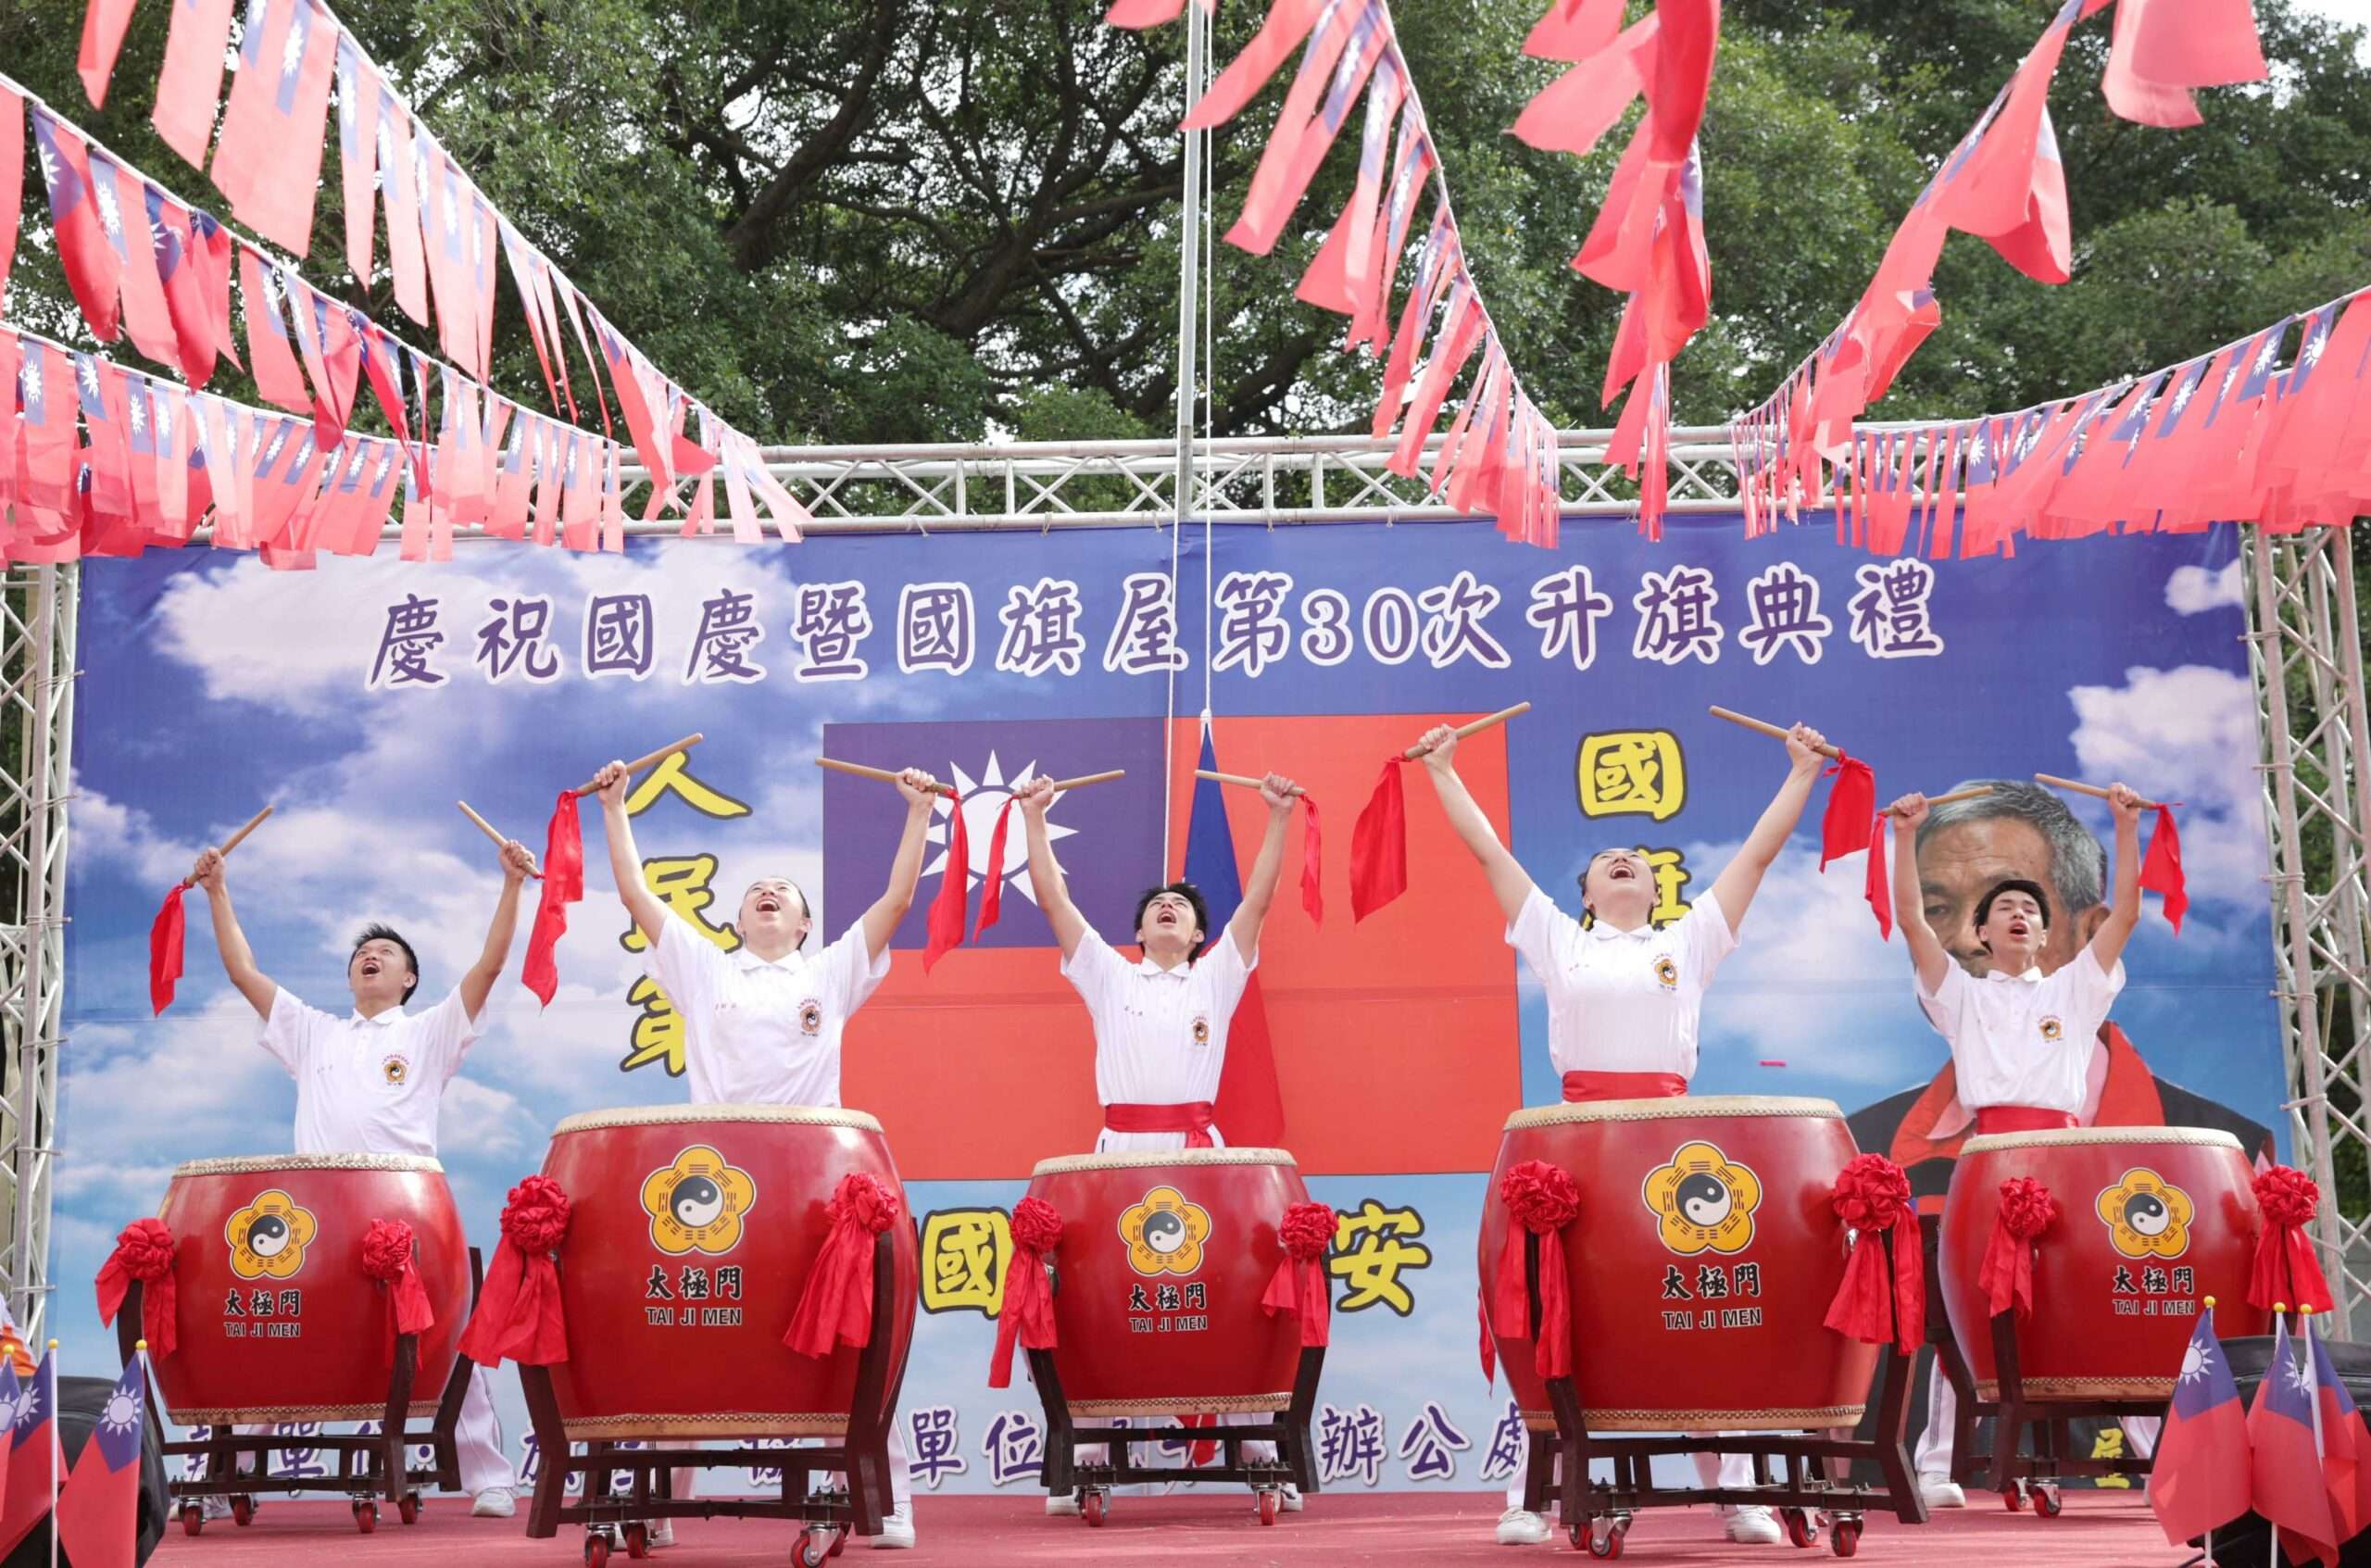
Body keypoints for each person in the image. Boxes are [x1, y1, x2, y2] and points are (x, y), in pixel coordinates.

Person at [1419, 718, 1828, 1548]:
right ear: (1586, 893)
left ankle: (1738, 1491)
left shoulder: (1689, 940)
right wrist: (1443, 770)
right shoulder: (1559, 942)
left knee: (1705, 1315)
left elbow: (1752, 856)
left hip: (1676, 1150)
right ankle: (1528, 1491)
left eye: (1638, 859)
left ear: (1655, 887)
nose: (1624, 859)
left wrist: (1801, 774)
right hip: (1581, 1148)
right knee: (1557, 1314)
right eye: (1608, 859)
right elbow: (1493, 855)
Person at [1856, 781, 2249, 1504]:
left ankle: (2160, 1458)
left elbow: (2127, 910)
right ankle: (1940, 1463)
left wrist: (2126, 826)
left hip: (2069, 1165)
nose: (2017, 913)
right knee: (1968, 1315)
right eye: (2001, 907)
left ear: (2045, 931)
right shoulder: (1961, 997)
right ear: (1980, 934)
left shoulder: (2075, 990)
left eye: (2029, 907)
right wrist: (1905, 835)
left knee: (2089, 1307)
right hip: (1987, 1161)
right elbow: (1910, 919)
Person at [593, 759, 938, 1549]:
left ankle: (889, 1503)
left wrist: (917, 813)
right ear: (740, 919)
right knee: (693, 1333)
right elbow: (638, 896)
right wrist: (615, 807)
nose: (768, 894)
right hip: (717, 1190)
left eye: (784, 891)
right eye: (756, 891)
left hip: (816, 1189)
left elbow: (897, 902)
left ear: (806, 924)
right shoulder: (704, 967)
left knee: (861, 1339)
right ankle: (662, 1500)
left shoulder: (830, 972)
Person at [191, 834, 536, 1520]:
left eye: (385, 954)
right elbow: (242, 970)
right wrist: (217, 890)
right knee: (283, 1333)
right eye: (360, 954)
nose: (368, 957)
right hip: (315, 1218)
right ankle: (227, 1472)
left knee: (435, 1336)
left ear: (409, 978)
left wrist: (511, 885)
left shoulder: (430, 1032)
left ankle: (488, 1476)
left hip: (403, 1210)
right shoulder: (312, 1030)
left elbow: (490, 966)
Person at [1012, 767, 1298, 1512]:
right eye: (1155, 908)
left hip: (1204, 1159)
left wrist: (1274, 819)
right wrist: (1035, 820)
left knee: (1230, 1300)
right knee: (1107, 1303)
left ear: (1201, 934)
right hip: (1118, 1162)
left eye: (1181, 907)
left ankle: (1264, 1453)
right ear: (1137, 932)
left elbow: (1260, 899)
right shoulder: (1108, 975)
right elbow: (1052, 899)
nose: (1168, 910)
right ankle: (1088, 1453)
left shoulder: (1218, 976)